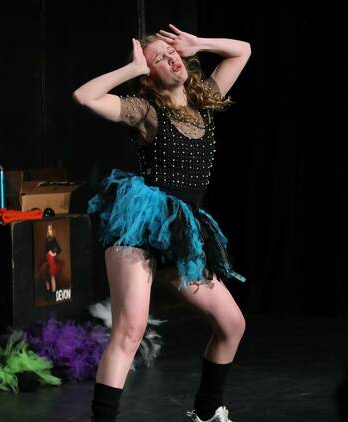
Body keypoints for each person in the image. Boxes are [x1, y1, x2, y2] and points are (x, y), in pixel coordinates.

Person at [73, 23, 251, 422]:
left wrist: (198, 44)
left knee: (232, 325)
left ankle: (206, 412)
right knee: (130, 330)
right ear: (149, 74)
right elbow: (85, 96)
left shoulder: (205, 102)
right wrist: (132, 68)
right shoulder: (146, 111)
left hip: (182, 230)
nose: (173, 59)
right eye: (161, 58)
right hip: (139, 223)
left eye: (174, 53)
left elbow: (243, 50)